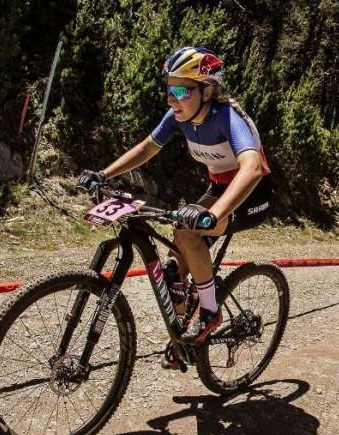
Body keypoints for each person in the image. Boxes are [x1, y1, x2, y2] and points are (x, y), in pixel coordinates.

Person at [77, 47, 272, 359]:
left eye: (181, 90)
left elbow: (251, 168)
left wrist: (214, 213)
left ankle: (210, 313)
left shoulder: (228, 116)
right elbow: (147, 148)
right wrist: (103, 174)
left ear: (207, 90)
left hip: (251, 194)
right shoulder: (179, 116)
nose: (171, 99)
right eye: (169, 89)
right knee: (171, 268)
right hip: (219, 187)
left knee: (190, 233)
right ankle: (183, 334)